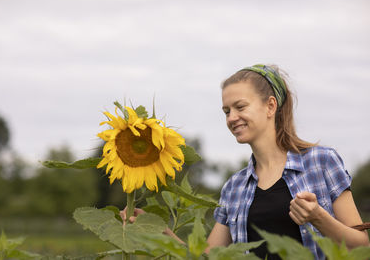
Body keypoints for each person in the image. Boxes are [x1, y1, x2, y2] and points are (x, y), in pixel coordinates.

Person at [121, 64, 370, 259]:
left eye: (240, 107)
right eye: (226, 111)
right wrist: (160, 232)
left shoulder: (321, 162)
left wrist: (318, 217)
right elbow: (207, 258)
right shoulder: (234, 187)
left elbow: (361, 248)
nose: (232, 118)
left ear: (270, 106)